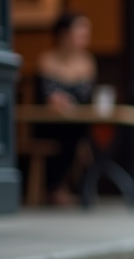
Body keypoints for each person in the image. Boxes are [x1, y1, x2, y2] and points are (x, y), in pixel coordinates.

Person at [35, 12, 97, 205]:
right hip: (48, 123)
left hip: (78, 123)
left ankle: (84, 186)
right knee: (69, 134)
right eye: (80, 31)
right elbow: (43, 96)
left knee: (82, 132)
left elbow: (88, 98)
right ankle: (56, 188)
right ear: (63, 34)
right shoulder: (46, 60)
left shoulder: (88, 62)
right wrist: (53, 100)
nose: (85, 37)